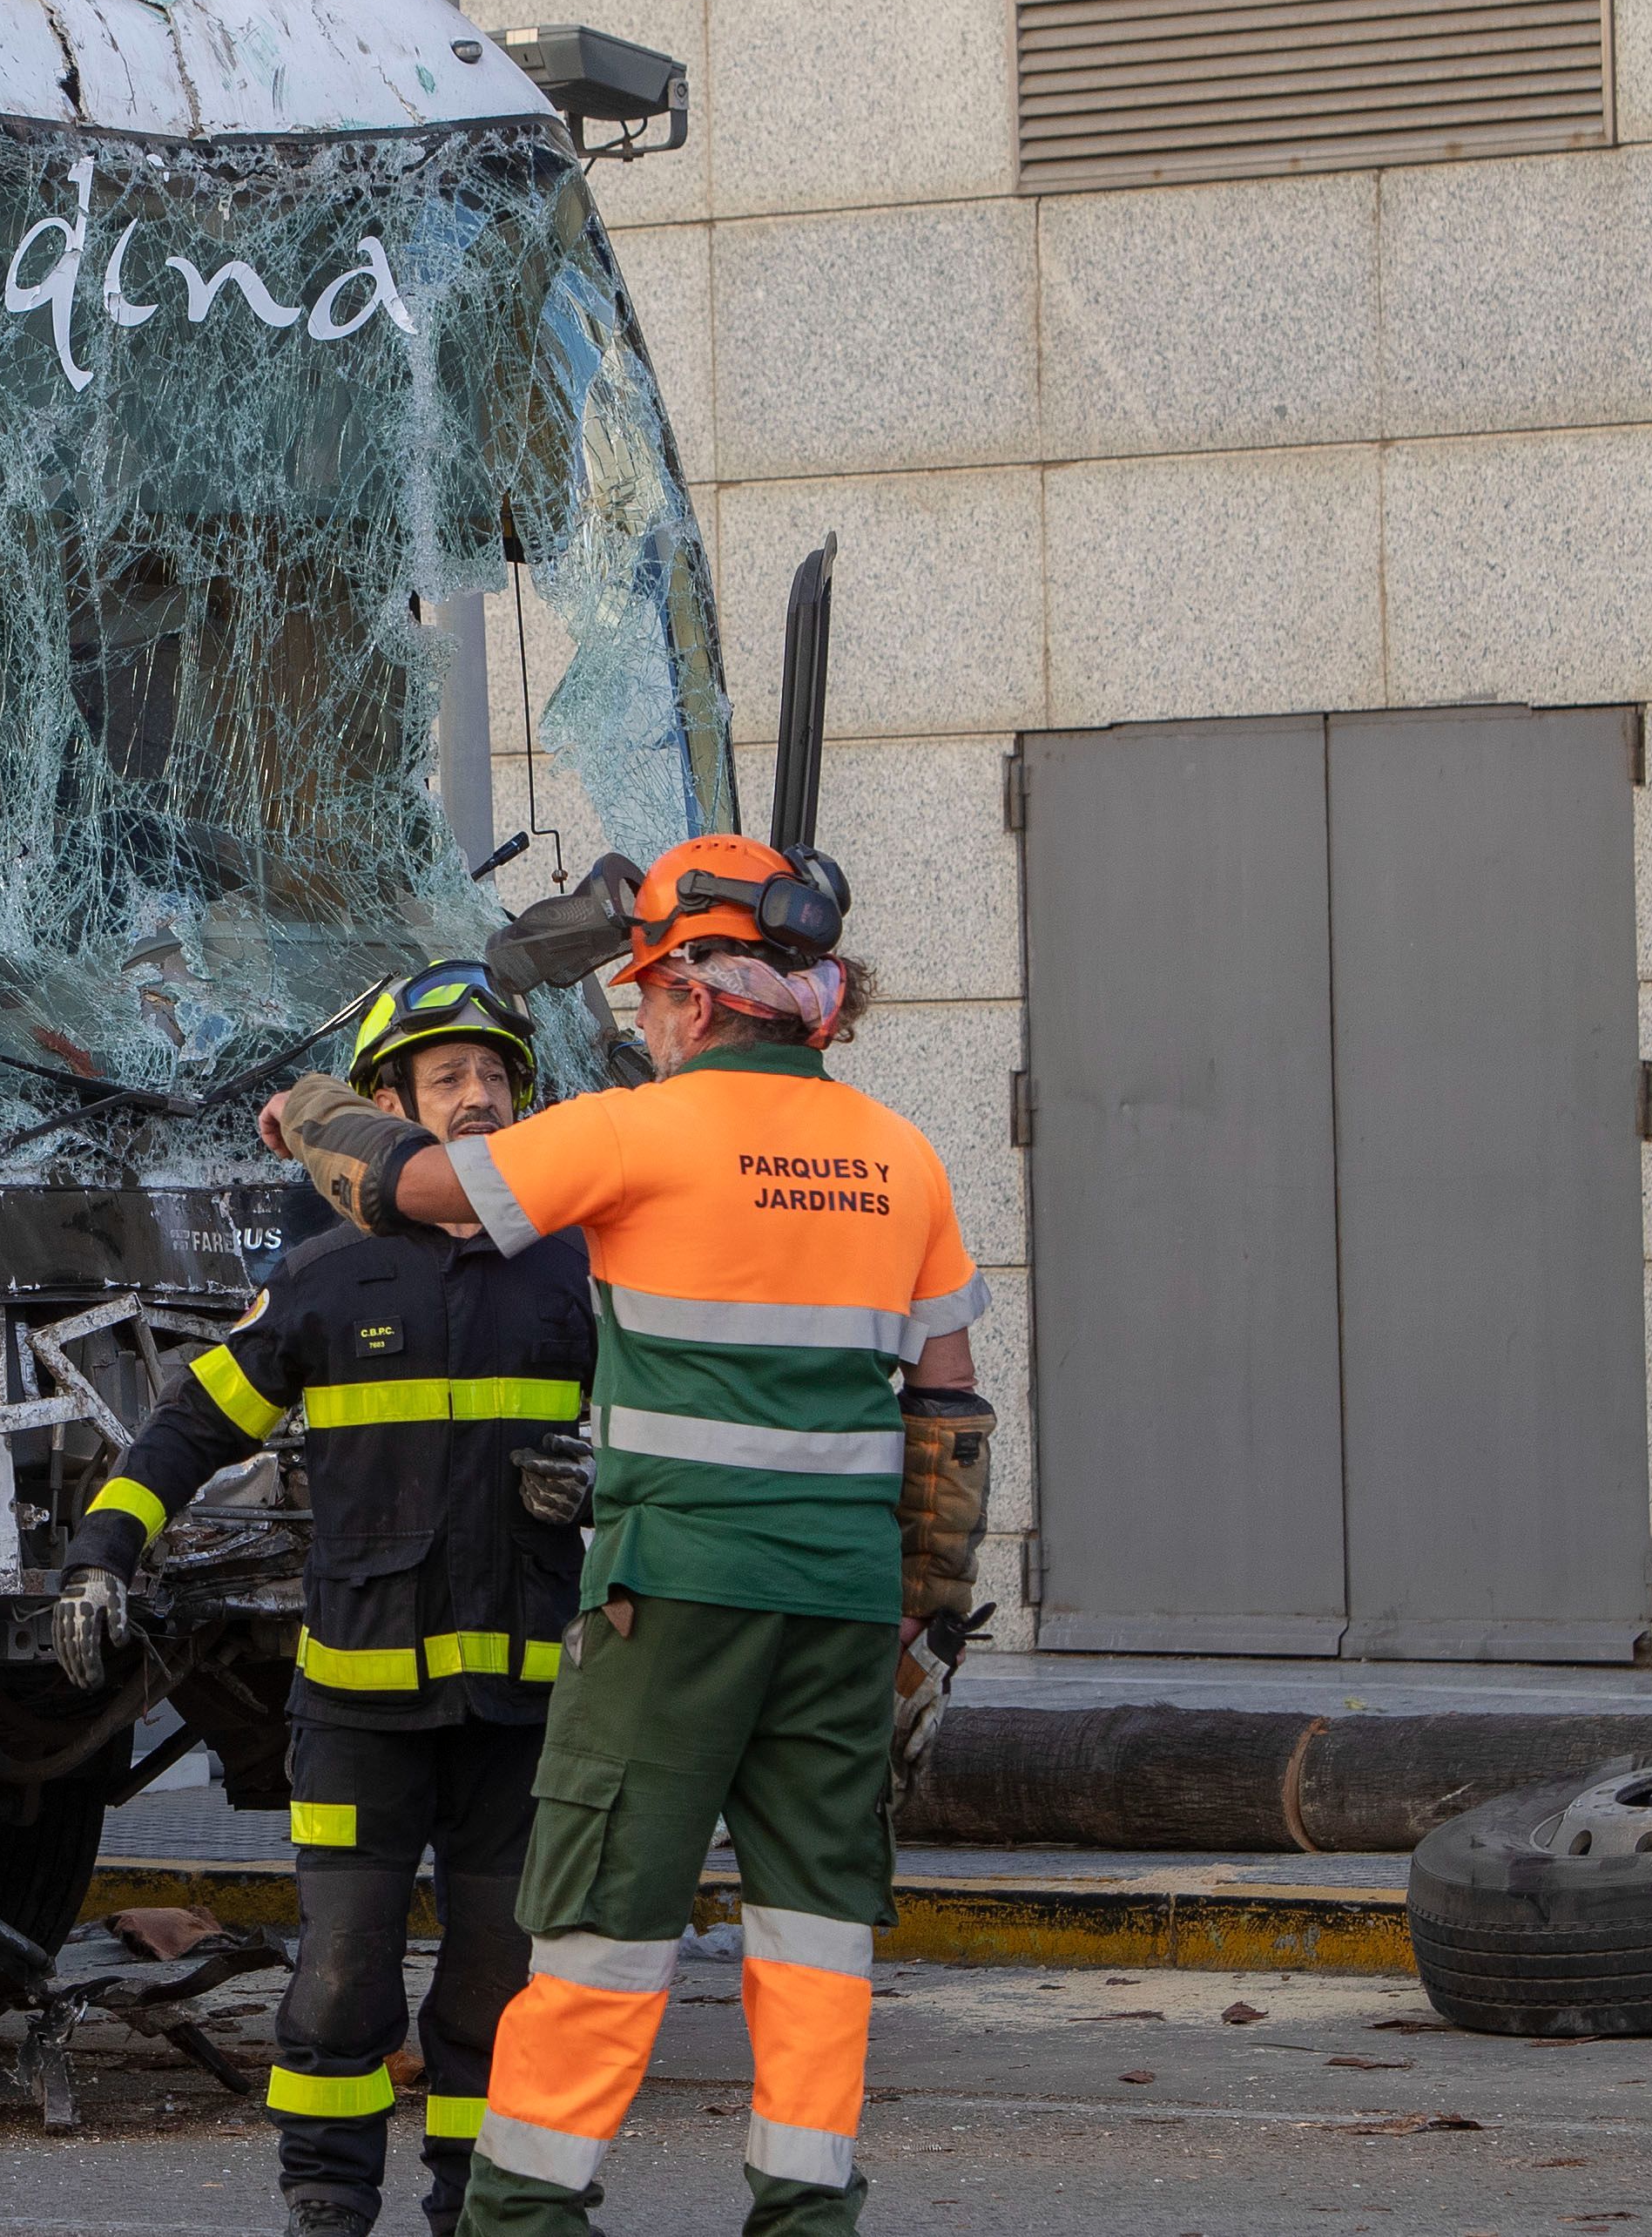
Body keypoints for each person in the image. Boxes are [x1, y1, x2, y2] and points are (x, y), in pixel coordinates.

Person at [254, 839, 994, 2237]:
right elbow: (950, 1409)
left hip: (670, 1598)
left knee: (595, 1921)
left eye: (648, 995)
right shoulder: (904, 1156)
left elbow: (428, 1192)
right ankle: (806, 2212)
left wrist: (310, 1110)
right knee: (820, 1933)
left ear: (697, 1001)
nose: (642, 1023)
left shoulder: (634, 1132)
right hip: (840, 1614)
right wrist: (923, 1620)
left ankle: (525, 2215)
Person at [51, 960, 596, 2237]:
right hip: (358, 1709)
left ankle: (471, 2209)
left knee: (496, 1985)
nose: (477, 1095)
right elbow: (187, 1429)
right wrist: (100, 1554)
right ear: (388, 1106)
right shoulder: (324, 1281)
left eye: (496, 1073)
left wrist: (605, 1483)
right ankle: (325, 2208)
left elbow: (660, 1446)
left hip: (522, 1716)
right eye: (448, 1075)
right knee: (342, 1984)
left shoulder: (576, 1274)